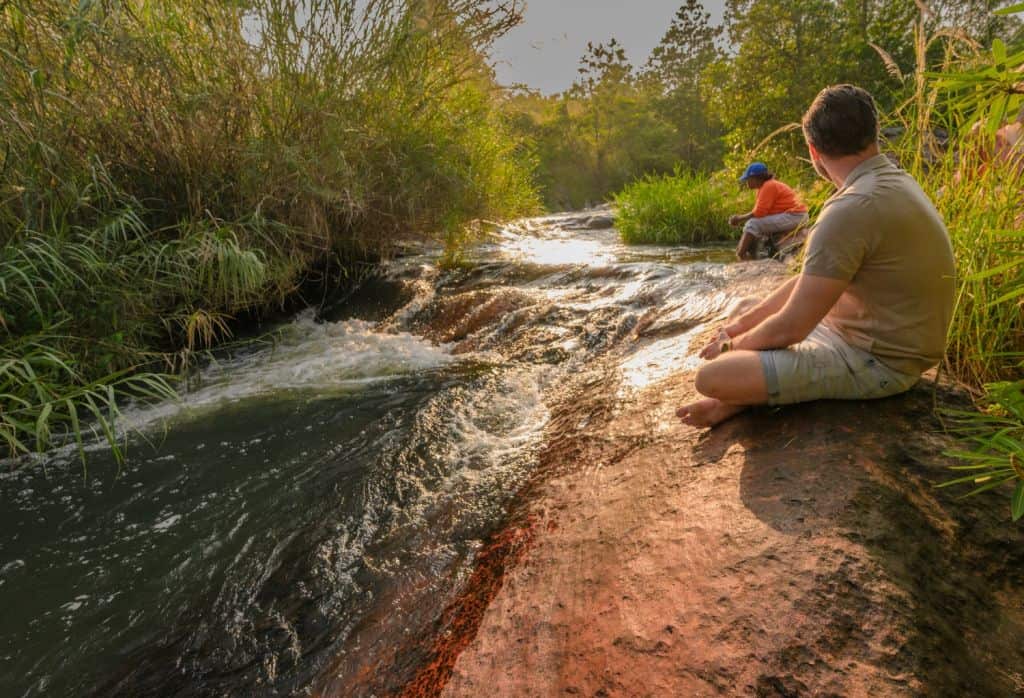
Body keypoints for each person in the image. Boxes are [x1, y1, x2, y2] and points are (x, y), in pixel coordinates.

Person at [677, 84, 955, 428]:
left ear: (813, 151)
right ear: (874, 133)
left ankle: (738, 401)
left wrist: (731, 347)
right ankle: (747, 395)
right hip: (859, 332)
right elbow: (808, 280)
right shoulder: (894, 180)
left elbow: (791, 328)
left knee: (712, 376)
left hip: (880, 363)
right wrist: (735, 328)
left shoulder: (850, 207)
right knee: (744, 309)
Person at [728, 163, 809, 260]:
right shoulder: (767, 186)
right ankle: (750, 255)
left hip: (795, 216)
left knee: (752, 224)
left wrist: (739, 218)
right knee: (755, 225)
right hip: (795, 216)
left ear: (755, 178)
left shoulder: (768, 186)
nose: (747, 183)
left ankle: (741, 254)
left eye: (748, 180)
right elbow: (762, 213)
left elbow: (759, 213)